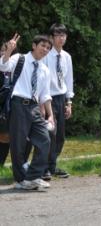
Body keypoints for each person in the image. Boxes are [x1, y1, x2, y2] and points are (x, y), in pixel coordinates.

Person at [0, 34, 54, 190]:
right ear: (34, 45)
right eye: (43, 46)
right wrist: (9, 51)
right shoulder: (20, 58)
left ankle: (33, 176)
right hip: (18, 104)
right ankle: (21, 180)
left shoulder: (44, 69)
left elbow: (45, 95)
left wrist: (50, 114)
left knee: (45, 140)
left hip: (35, 107)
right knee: (18, 144)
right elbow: (3, 67)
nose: (45, 50)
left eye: (48, 48)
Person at [40, 23, 74, 180]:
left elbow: (69, 80)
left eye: (63, 35)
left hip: (62, 98)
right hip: (48, 98)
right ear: (51, 38)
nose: (61, 38)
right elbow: (42, 80)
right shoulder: (46, 56)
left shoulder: (67, 57)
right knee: (49, 134)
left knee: (60, 136)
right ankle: (44, 167)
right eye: (58, 35)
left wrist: (69, 102)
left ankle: (52, 166)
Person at [0, 42, 12, 166]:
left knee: (5, 136)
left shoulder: (14, 68)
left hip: (8, 108)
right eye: (3, 50)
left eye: (7, 51)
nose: (4, 53)